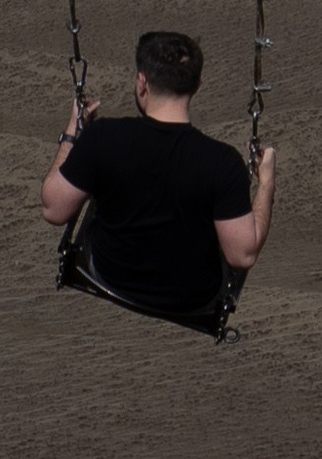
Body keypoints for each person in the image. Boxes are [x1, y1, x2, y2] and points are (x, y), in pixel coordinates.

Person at [41, 27, 275, 331]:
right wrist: (266, 182)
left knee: (104, 172)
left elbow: (53, 209)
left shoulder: (103, 136)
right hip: (190, 297)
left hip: (109, 274)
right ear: (197, 85)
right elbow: (242, 255)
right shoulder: (222, 162)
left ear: (142, 82)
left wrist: (73, 134)